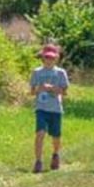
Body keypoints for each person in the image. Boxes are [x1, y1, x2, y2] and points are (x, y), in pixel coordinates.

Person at [30, 44, 69, 173]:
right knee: (40, 133)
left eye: (52, 58)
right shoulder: (36, 72)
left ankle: (55, 154)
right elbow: (32, 91)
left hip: (55, 109)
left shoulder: (60, 73)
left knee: (56, 136)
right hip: (41, 108)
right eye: (47, 57)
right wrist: (39, 88)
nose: (49, 60)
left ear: (56, 58)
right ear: (42, 58)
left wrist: (52, 88)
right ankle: (38, 161)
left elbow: (64, 92)